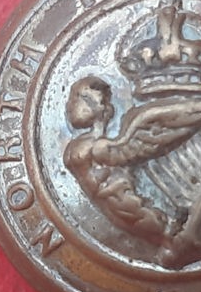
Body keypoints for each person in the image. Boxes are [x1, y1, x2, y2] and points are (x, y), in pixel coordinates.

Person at [64, 77, 170, 247]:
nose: (70, 106)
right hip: (120, 214)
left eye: (81, 99)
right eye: (72, 99)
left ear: (100, 107)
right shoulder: (82, 145)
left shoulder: (100, 147)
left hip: (134, 213)